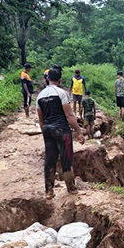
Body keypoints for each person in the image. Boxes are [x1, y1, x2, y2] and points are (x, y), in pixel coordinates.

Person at [36, 67, 85, 200]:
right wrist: (79, 131)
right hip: (61, 129)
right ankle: (71, 188)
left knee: (50, 160)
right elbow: (69, 115)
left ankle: (49, 191)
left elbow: (41, 119)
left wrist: (44, 133)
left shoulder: (40, 96)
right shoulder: (61, 93)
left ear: (48, 78)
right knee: (66, 158)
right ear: (60, 79)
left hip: (47, 129)